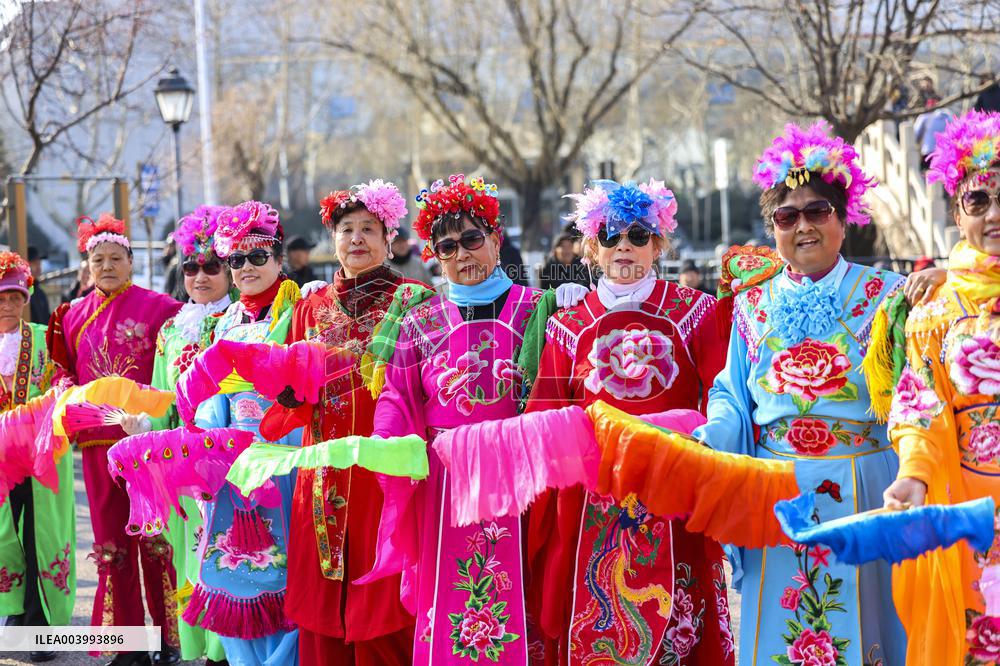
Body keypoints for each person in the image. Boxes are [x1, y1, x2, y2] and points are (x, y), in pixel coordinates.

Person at [692, 121, 908, 665]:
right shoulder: (751, 305)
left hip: (868, 485)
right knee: (785, 635)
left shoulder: (889, 295)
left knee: (871, 629)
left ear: (843, 218)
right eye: (787, 216)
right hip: (778, 491)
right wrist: (711, 436)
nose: (803, 226)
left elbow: (913, 396)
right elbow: (733, 396)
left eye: (818, 211)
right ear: (773, 228)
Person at [524, 179, 734, 664]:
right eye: (611, 235)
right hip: (590, 506)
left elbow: (724, 395)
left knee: (682, 628)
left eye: (638, 235)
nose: (624, 246)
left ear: (658, 243)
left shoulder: (696, 313)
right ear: (591, 247)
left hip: (674, 494)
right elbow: (543, 414)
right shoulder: (566, 323)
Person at [361, 174, 542, 663]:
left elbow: (553, 392)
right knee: (450, 594)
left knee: (522, 589)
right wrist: (388, 441)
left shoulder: (535, 310)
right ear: (434, 256)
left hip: (519, 477)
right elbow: (396, 396)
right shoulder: (420, 320)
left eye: (472, 239)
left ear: (496, 240)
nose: (462, 254)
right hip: (445, 483)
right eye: (447, 246)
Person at [275, 181, 421, 666]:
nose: (356, 239)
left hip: (385, 475)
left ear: (388, 238)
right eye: (346, 230)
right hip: (322, 473)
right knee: (324, 599)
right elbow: (291, 399)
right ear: (332, 239)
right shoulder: (309, 308)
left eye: (368, 230)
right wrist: (288, 391)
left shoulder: (414, 301)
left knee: (385, 601)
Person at [883, 109, 1000, 664]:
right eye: (979, 202)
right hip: (971, 511)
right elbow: (920, 406)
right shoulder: (936, 311)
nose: (995, 215)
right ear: (958, 212)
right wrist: (913, 475)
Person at [47, 214, 182, 666]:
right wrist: (69, 396)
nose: (107, 266)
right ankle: (128, 645)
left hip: (149, 445)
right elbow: (62, 371)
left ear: (130, 261)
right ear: (87, 264)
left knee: (156, 541)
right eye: (97, 259)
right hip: (97, 446)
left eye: (116, 258)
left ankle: (170, 638)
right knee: (111, 543)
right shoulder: (71, 315)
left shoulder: (162, 309)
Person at [183, 200, 302, 666]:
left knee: (287, 575)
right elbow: (212, 398)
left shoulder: (299, 309)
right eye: (237, 259)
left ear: (277, 258)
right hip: (234, 468)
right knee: (234, 575)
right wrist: (213, 451)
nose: (246, 268)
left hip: (286, 461)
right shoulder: (227, 322)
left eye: (257, 257)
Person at [146, 206, 232, 665]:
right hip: (181, 460)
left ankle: (228, 648)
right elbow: (162, 395)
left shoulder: (241, 320)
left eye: (212, 266)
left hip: (229, 459)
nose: (200, 276)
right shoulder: (171, 329)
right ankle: (197, 644)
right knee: (188, 552)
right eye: (191, 267)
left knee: (228, 550)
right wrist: (146, 427)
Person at [0, 251, 75, 664]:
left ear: (26, 296)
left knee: (40, 537)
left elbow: (66, 387)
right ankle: (12, 619)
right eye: (1, 298)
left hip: (42, 457)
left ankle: (41, 625)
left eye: (15, 296)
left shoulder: (47, 338)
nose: (8, 305)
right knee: (3, 540)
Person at [915, 97, 951, 171]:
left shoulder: (924, 116)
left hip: (928, 153)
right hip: (945, 153)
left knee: (927, 176)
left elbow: (915, 135)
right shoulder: (947, 115)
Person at [26, 247, 50, 326]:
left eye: (39, 264)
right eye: (35, 264)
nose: (39, 268)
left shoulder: (41, 293)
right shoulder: (22, 292)